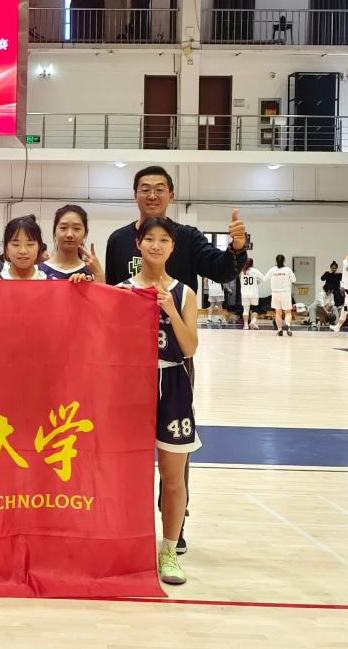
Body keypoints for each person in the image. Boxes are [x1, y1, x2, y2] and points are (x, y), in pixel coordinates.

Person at [105, 166, 247, 555]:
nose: (152, 195)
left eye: (159, 189)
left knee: (175, 456)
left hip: (174, 363)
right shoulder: (118, 240)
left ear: (172, 194)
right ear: (134, 194)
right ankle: (127, 528)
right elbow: (109, 299)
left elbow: (221, 269)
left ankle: (174, 529)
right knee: (126, 455)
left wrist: (236, 249)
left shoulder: (188, 238)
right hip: (130, 368)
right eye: (144, 188)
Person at [117, 217, 200, 586]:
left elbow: (190, 347)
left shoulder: (185, 293)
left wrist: (170, 311)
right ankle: (127, 544)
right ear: (138, 244)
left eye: (163, 239)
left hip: (173, 383)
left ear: (172, 247)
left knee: (172, 476)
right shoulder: (122, 291)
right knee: (126, 474)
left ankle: (168, 550)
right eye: (149, 238)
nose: (156, 245)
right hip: (132, 386)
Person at [42, 204, 103, 281]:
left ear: (85, 233)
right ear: (54, 231)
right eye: (63, 228)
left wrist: (99, 274)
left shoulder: (92, 273)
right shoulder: (38, 272)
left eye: (76, 228)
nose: (69, 234)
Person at [0, 216, 48, 281]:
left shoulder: (50, 283)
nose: (23, 251)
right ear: (6, 248)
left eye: (30, 244)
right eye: (16, 244)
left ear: (38, 247)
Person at [264, 255, 296, 337]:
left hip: (275, 293)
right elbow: (294, 280)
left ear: (276, 261)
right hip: (286, 293)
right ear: (284, 261)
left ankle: (279, 330)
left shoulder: (272, 270)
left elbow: (265, 279)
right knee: (288, 312)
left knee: (278, 313)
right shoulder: (288, 269)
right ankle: (288, 325)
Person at [239, 258, 264, 330]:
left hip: (244, 293)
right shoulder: (255, 271)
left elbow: (240, 281)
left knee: (245, 310)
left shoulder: (241, 271)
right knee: (255, 308)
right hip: (253, 293)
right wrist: (256, 283)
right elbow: (262, 278)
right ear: (252, 263)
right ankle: (253, 321)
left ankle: (246, 326)